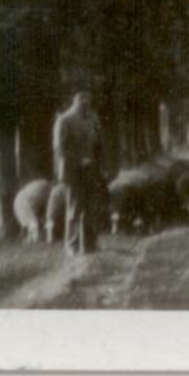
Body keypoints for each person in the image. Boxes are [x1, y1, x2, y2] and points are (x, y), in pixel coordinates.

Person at [52, 90, 105, 256]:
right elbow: (59, 148)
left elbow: (99, 143)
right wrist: (78, 160)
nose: (86, 104)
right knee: (74, 207)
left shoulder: (93, 119)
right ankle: (72, 244)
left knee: (91, 205)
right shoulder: (64, 120)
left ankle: (90, 243)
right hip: (73, 171)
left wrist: (99, 163)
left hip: (92, 168)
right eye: (82, 101)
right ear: (75, 101)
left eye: (88, 101)